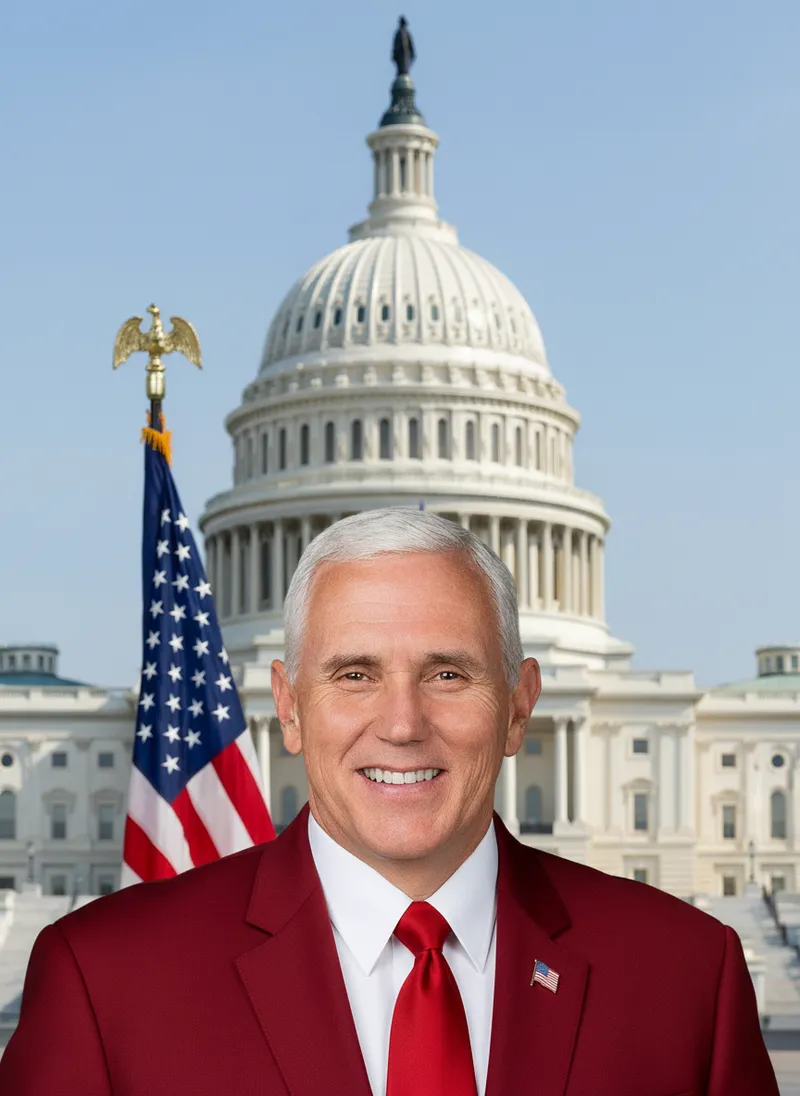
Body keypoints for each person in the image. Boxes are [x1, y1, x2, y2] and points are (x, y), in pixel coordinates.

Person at [0, 508, 779, 1094]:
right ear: (290, 708)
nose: (402, 725)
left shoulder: (684, 978)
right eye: (354, 674)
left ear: (518, 705)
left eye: (448, 674)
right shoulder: (105, 981)